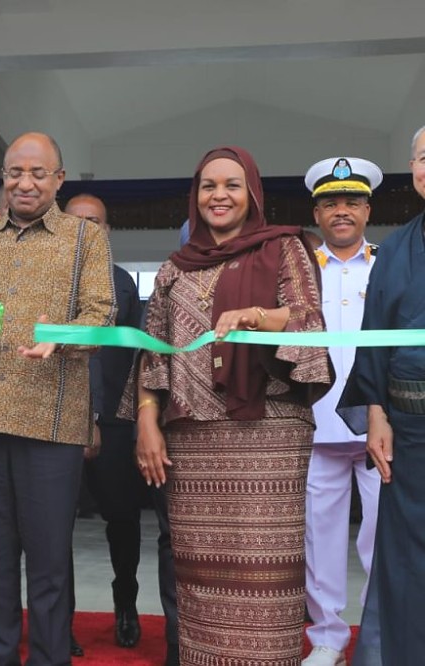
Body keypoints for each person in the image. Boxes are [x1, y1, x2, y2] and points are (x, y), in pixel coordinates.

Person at [125, 145, 332, 666]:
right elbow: (153, 351)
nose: (219, 195)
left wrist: (255, 315)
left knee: (266, 572)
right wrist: (147, 421)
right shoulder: (173, 269)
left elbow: (308, 316)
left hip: (270, 434)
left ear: (252, 193)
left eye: (232, 185)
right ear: (195, 196)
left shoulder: (285, 247)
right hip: (193, 440)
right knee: (201, 574)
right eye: (209, 186)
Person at [0, 132, 116, 665]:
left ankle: (50, 657)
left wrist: (61, 336)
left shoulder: (84, 239)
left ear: (59, 179)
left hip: (51, 423)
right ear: (3, 178)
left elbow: (102, 313)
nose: (25, 183)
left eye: (37, 173)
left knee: (50, 560)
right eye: (15, 173)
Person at [337, 125, 425, 666]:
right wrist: (376, 414)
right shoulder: (395, 250)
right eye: (424, 157)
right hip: (410, 433)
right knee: (407, 558)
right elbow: (374, 337)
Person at [301, 157, 382, 666]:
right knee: (320, 538)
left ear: (368, 210)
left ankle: (376, 634)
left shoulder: (388, 264)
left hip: (379, 423)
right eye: (331, 203)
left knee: (382, 537)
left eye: (352, 202)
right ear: (318, 213)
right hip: (318, 421)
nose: (342, 211)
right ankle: (327, 639)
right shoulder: (301, 270)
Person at [63, 194, 146, 654]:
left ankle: (126, 605)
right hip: (56, 421)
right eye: (75, 221)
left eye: (93, 221)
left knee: (123, 520)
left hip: (114, 420)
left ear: (107, 230)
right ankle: (60, 622)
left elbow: (138, 357)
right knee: (54, 527)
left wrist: (136, 423)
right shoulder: (45, 278)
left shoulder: (122, 284)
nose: (84, 229)